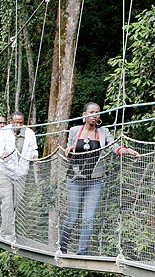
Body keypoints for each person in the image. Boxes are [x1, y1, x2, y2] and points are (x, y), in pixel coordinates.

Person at [59, 102, 139, 255]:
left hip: (94, 181)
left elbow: (114, 147)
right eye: (91, 112)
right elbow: (68, 153)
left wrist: (128, 150)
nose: (95, 115)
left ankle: (82, 253)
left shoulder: (103, 132)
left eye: (97, 112)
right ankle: (62, 247)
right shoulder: (74, 130)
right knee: (73, 217)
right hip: (75, 180)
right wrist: (69, 150)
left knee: (88, 219)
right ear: (84, 114)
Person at [0, 111, 38, 242]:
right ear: (11, 122)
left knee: (15, 204)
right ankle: (7, 235)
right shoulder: (3, 132)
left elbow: (34, 149)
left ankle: (8, 229)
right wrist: (2, 153)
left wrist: (35, 157)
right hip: (5, 171)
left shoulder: (30, 134)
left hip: (21, 173)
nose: (18, 125)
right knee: (7, 202)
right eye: (16, 122)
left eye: (21, 123)